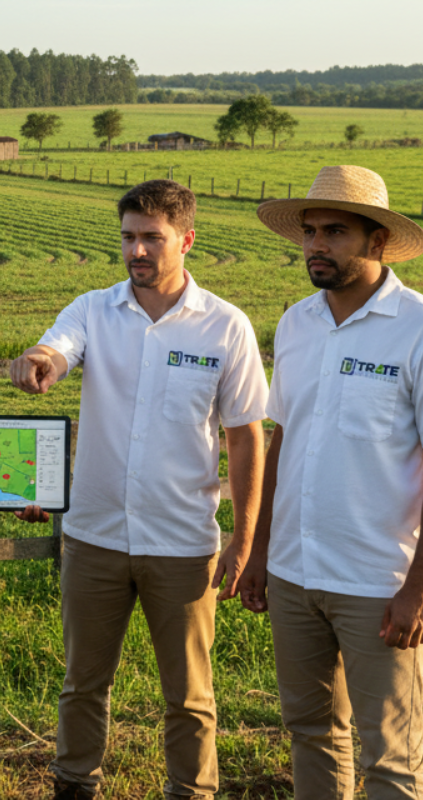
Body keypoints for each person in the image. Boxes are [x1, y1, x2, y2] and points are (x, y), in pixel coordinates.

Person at [10, 180, 269, 799]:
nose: (137, 251)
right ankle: (74, 784)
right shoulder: (93, 310)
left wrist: (243, 540)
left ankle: (192, 791)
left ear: (187, 239)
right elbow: (58, 347)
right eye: (128, 237)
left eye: (152, 237)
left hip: (183, 544)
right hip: (94, 537)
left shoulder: (225, 327)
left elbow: (246, 439)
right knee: (82, 684)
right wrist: (39, 358)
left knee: (189, 695)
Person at [241, 165, 423, 799]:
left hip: (378, 581)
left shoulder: (417, 328)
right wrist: (261, 553)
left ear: (378, 242)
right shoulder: (296, 323)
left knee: (392, 759)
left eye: (336, 232)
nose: (316, 244)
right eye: (310, 232)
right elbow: (282, 440)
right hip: (295, 573)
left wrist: (415, 592)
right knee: (311, 733)